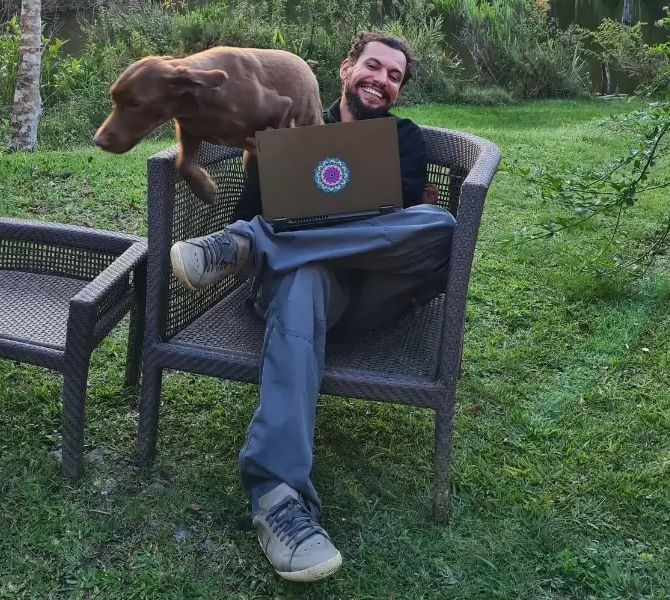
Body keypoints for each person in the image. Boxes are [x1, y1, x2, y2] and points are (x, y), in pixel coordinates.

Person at [169, 32, 456, 582]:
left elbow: (395, 227)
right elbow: (254, 201)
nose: (382, 79)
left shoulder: (406, 139)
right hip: (299, 288)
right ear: (346, 69)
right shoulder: (291, 125)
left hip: (369, 290)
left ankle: (249, 241)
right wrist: (262, 162)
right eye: (373, 66)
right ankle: (277, 497)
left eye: (395, 75)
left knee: (438, 225)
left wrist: (295, 224)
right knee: (302, 279)